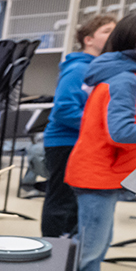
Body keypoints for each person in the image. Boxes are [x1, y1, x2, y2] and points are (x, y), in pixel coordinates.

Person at [30, 13, 136, 271]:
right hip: (97, 172)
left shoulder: (121, 74)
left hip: (100, 171)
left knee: (96, 241)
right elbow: (120, 132)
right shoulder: (125, 78)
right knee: (91, 246)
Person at [37, 14, 117, 242]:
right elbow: (64, 110)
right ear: (89, 39)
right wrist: (104, 125)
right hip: (65, 142)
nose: (113, 36)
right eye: (107, 31)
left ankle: (66, 251)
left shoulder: (97, 68)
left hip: (82, 142)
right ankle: (51, 250)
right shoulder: (79, 69)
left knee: (73, 201)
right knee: (61, 200)